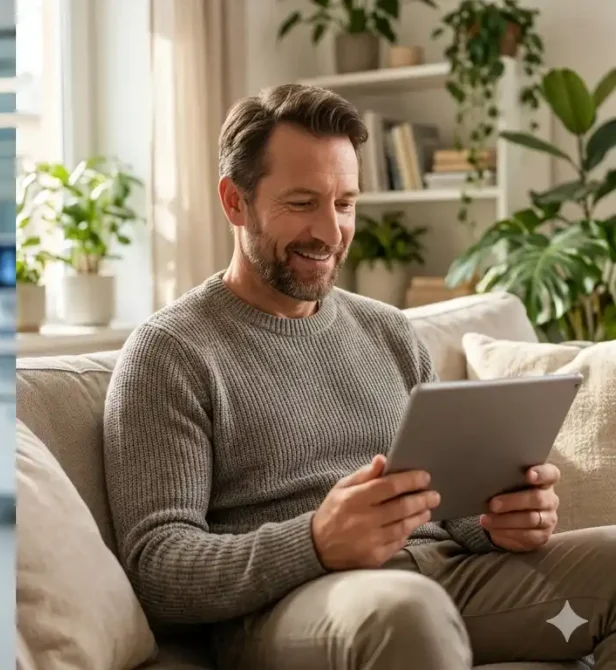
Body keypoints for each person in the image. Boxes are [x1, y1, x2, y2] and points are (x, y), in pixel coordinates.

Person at [103, 83, 616, 669]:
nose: (330, 231)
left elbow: (445, 505)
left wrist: (501, 522)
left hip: (444, 577)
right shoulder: (171, 351)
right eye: (301, 204)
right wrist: (315, 542)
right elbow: (156, 567)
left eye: (344, 203)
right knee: (406, 611)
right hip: (291, 606)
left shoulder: (389, 332)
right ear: (234, 202)